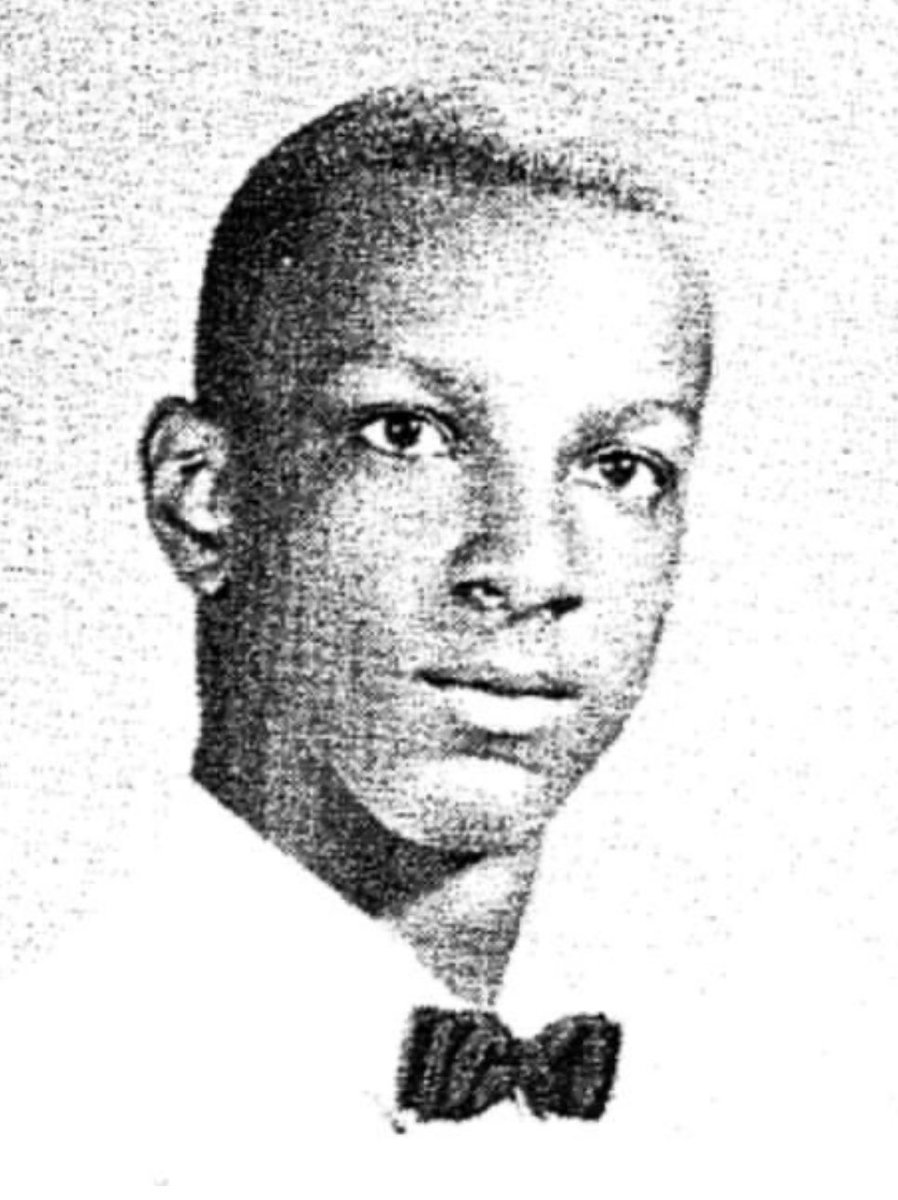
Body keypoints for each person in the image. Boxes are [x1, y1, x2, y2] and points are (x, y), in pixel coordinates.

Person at [0, 83, 720, 1193]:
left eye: (621, 469)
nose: (529, 569)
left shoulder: (671, 1149)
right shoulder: (45, 1120)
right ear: (202, 495)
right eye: (406, 434)